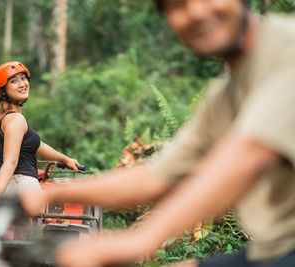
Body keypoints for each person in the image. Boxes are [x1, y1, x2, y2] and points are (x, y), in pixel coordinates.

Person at [19, 0, 295, 267]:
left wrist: (141, 240)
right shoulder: (223, 98)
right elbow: (154, 176)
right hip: (273, 250)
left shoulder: (287, 48)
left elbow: (249, 155)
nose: (196, 11)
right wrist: (47, 197)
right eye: (177, 5)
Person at [0, 61, 79, 205]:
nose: (22, 84)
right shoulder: (16, 120)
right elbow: (10, 162)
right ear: (2, 91)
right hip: (20, 186)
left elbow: (38, 146)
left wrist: (65, 159)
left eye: (23, 78)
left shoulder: (3, 117)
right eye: (14, 81)